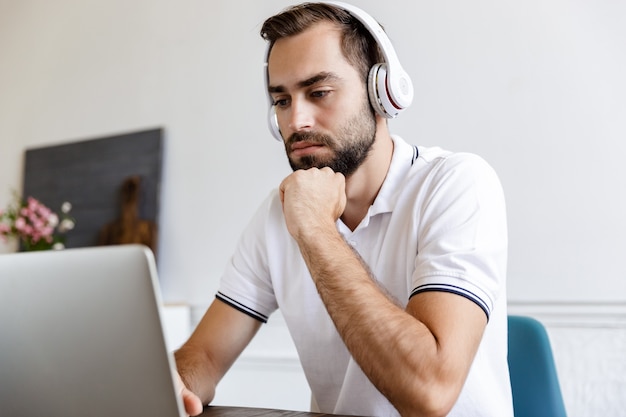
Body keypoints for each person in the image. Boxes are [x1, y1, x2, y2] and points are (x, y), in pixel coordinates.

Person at [175, 2, 513, 416]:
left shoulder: (457, 184)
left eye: (318, 93)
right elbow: (205, 357)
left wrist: (317, 230)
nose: (296, 120)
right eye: (281, 100)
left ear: (383, 92)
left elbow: (429, 392)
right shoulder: (278, 215)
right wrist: (175, 383)